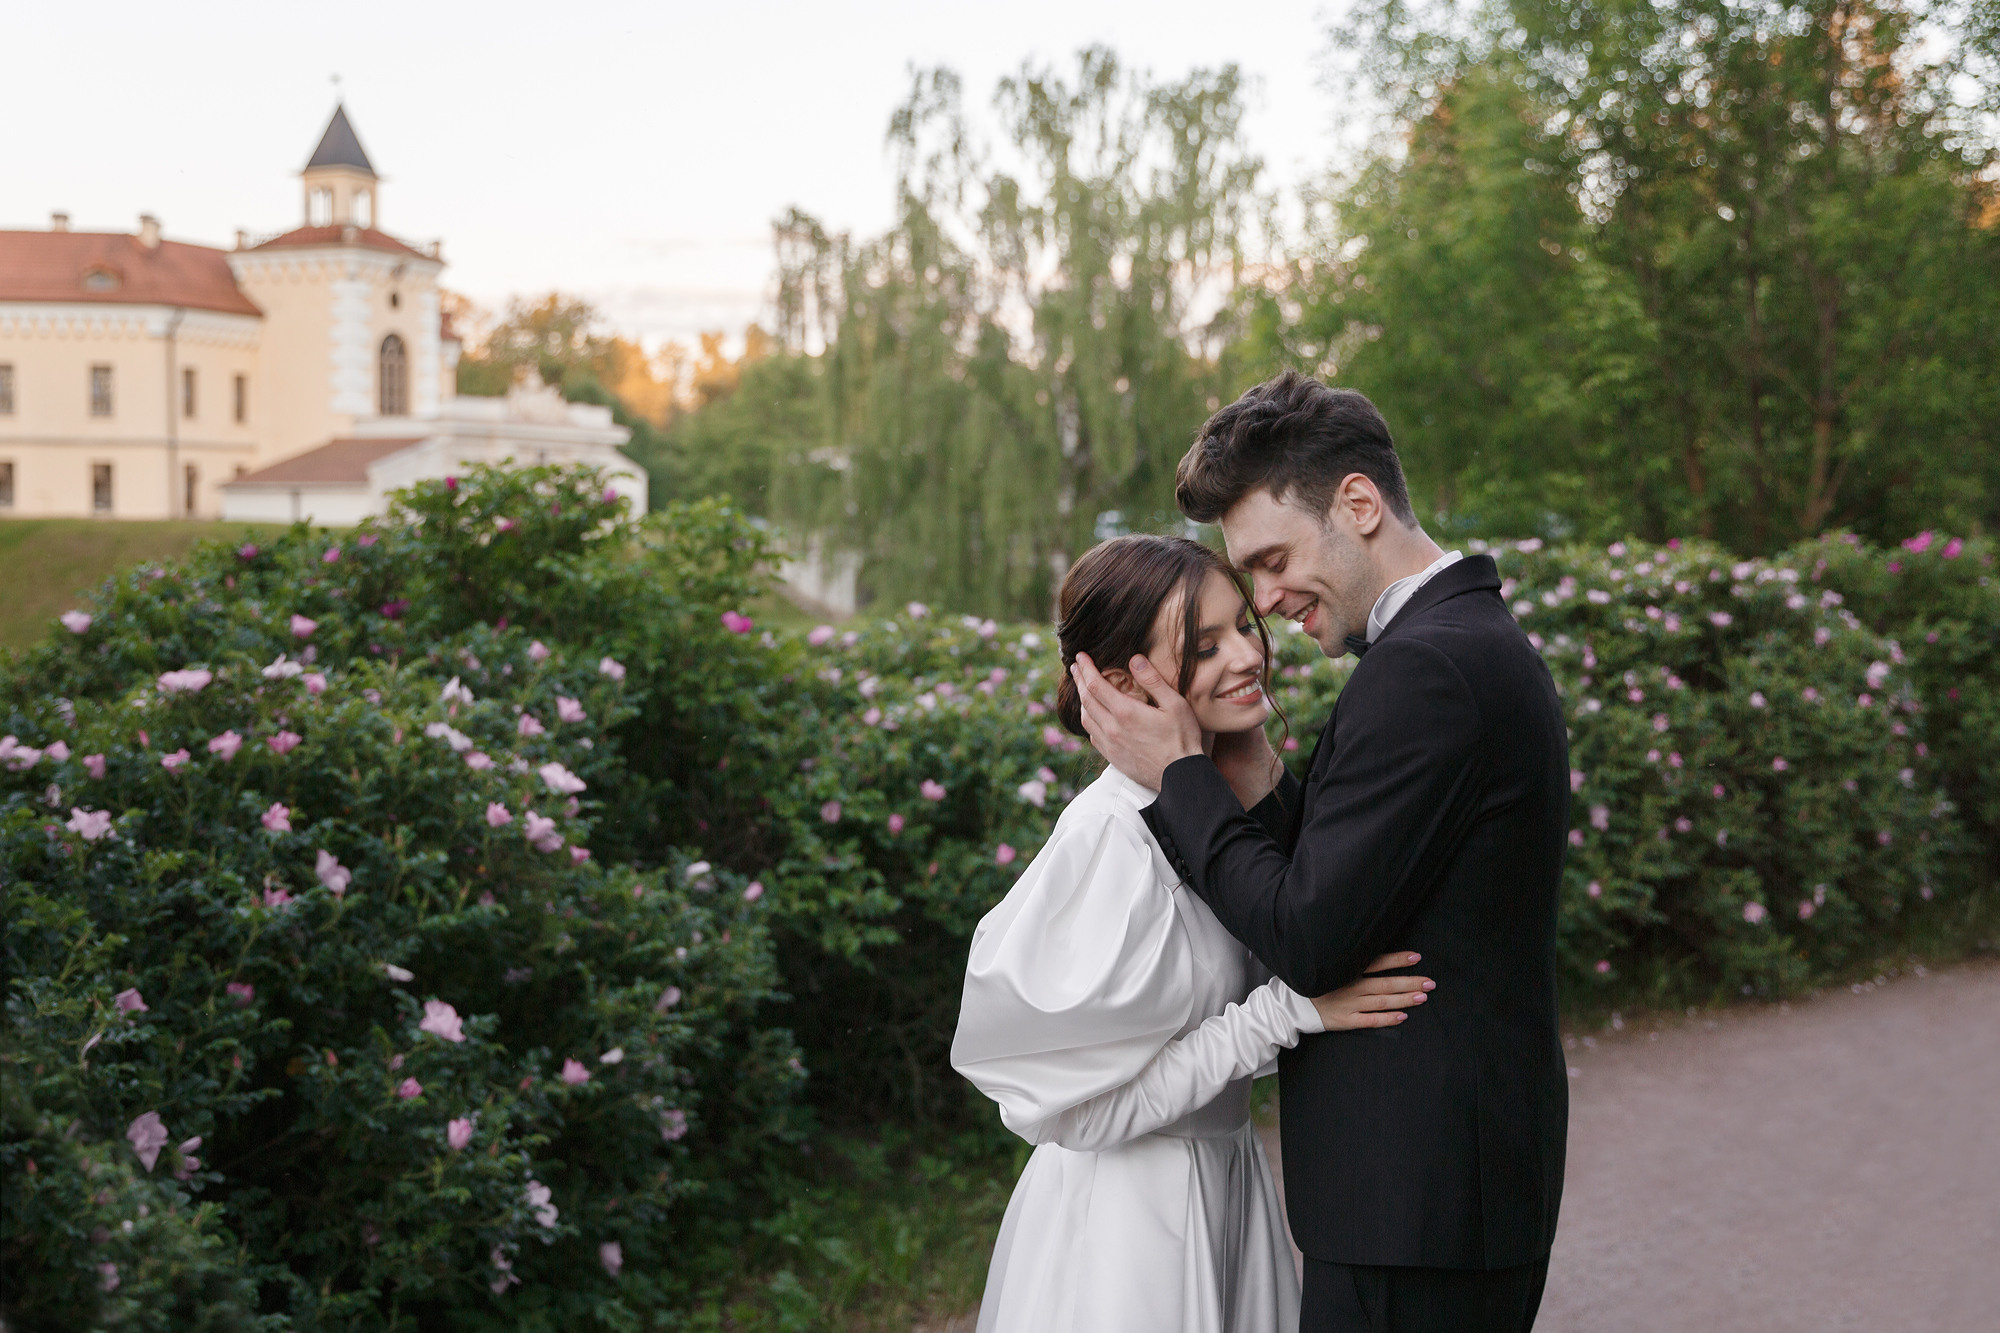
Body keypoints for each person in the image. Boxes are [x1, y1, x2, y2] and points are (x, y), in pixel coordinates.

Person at [1070, 372, 1572, 1333]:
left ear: (1357, 502)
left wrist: (1185, 776)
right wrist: (1258, 783)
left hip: (1415, 1205)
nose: (1265, 599)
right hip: (1438, 1197)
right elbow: (1364, 881)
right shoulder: (1459, 643)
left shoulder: (1424, 669)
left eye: (1270, 559)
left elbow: (1309, 932)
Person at [953, 533, 1437, 1333]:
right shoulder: (1107, 838)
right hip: (1132, 1226)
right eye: (1205, 646)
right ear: (1118, 683)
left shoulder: (1214, 808)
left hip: (1226, 1184)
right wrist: (1293, 1011)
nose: (1249, 654)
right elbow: (1082, 1116)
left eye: (1244, 627)